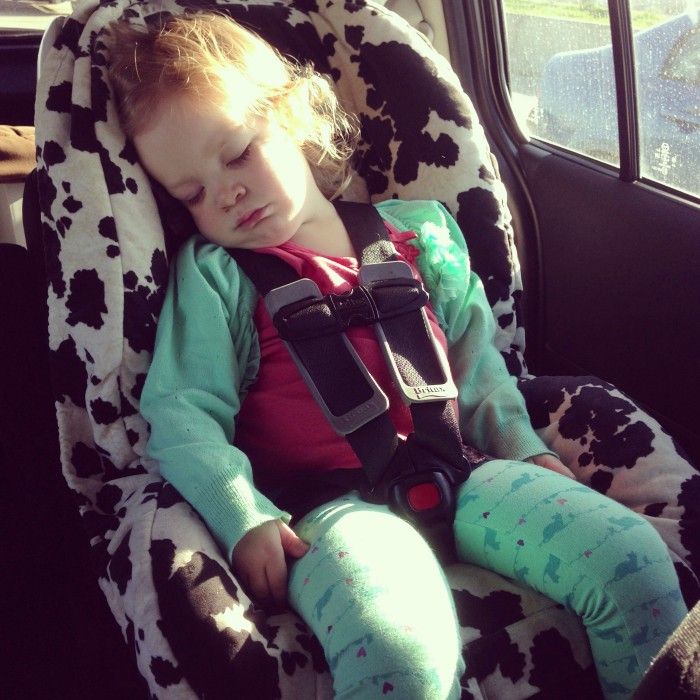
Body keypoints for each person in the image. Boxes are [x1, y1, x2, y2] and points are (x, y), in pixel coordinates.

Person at [108, 12, 687, 698]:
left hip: (465, 474)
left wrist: (522, 446)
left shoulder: (420, 235)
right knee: (397, 652)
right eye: (192, 194)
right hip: (330, 512)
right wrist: (244, 514)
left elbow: (477, 362)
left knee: (633, 560)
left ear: (293, 118)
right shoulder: (218, 276)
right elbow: (181, 412)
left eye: (237, 154)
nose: (226, 194)